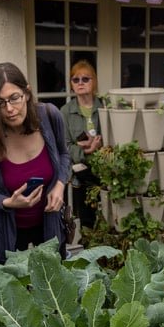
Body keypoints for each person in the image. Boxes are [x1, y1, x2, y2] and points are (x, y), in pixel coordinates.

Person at [0, 62, 71, 263]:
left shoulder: (50, 117)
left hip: (49, 227)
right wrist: (7, 202)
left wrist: (59, 185)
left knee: (52, 287)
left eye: (15, 98)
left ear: (27, 93)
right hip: (6, 236)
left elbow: (64, 156)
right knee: (14, 291)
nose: (9, 109)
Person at [60, 60, 103, 231]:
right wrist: (86, 150)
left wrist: (101, 146)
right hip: (81, 174)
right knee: (87, 223)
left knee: (107, 220)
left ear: (94, 82)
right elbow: (64, 146)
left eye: (85, 79)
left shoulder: (105, 107)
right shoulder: (65, 111)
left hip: (105, 173)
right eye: (75, 80)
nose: (80, 83)